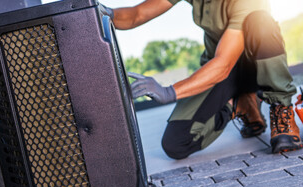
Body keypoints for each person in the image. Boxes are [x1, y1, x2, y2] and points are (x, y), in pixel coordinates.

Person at [102, 0, 302, 159]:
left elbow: (223, 64)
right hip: (222, 72)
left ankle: (281, 109)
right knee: (176, 144)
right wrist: (101, 13)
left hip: (257, 65)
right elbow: (138, 14)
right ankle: (239, 104)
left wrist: (169, 92)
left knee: (260, 21)